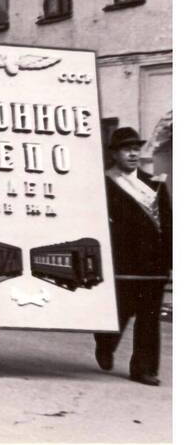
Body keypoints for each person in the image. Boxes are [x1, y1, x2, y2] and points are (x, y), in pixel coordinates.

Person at [94, 127, 173, 386]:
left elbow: (168, 223)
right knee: (119, 312)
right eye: (127, 149)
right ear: (115, 154)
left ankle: (144, 369)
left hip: (153, 266)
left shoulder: (155, 184)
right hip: (121, 264)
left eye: (136, 149)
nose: (133, 153)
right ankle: (105, 344)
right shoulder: (103, 184)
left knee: (149, 319)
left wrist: (171, 260)